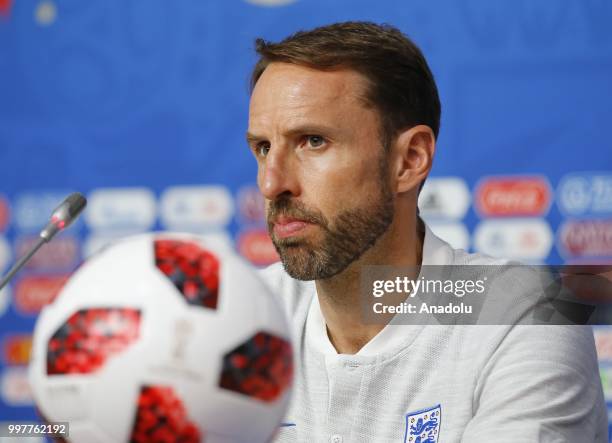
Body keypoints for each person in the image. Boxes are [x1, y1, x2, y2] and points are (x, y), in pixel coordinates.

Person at [246, 21, 607, 442]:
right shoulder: (241, 317)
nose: (272, 184)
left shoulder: (533, 314)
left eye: (313, 141)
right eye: (263, 148)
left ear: (410, 159)